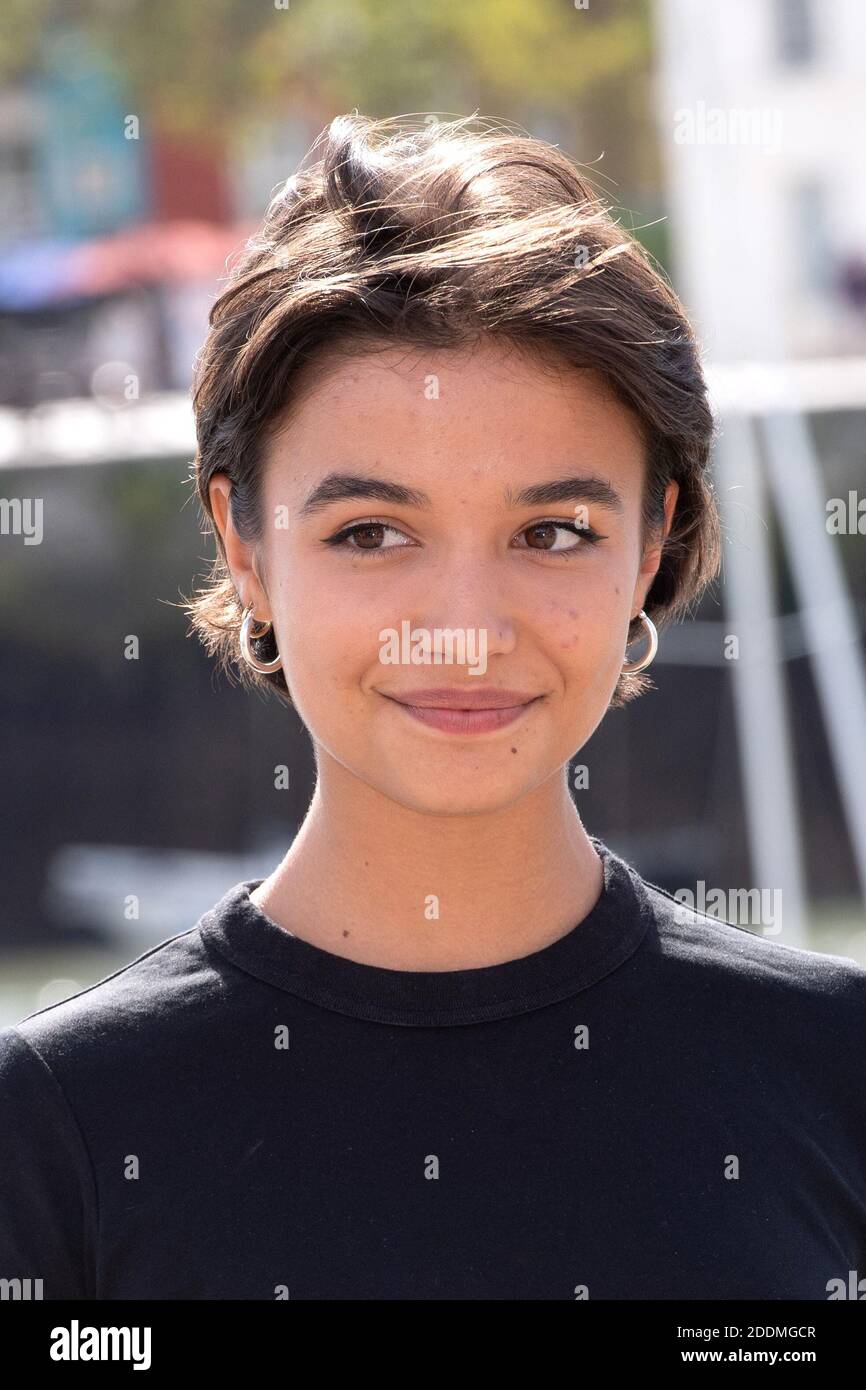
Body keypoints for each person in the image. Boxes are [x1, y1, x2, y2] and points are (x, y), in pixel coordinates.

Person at [1, 112, 864, 1302]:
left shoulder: (837, 1070)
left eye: (550, 532)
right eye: (372, 532)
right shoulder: (52, 1135)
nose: (462, 621)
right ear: (242, 545)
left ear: (650, 543)